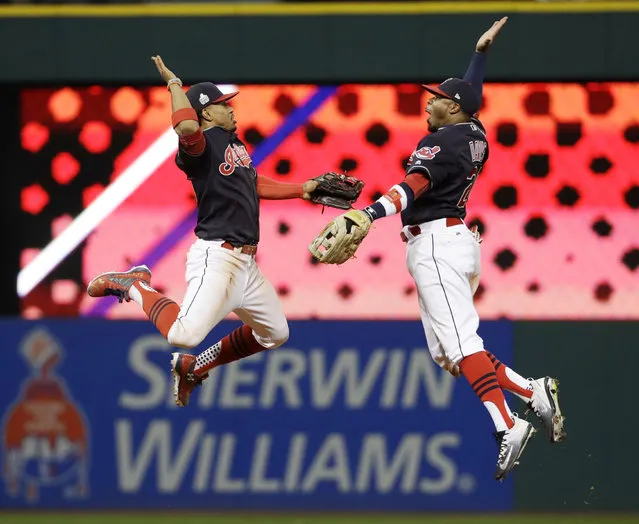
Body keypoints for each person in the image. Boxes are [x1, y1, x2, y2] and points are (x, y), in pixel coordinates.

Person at [311, 17, 565, 481]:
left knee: (463, 345)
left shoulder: (439, 141)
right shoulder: (474, 136)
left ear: (453, 107)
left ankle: (508, 423)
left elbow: (413, 185)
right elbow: (471, 95)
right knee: (451, 356)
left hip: (435, 245)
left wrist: (368, 215)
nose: (429, 103)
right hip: (455, 242)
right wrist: (480, 56)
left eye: (437, 99)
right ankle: (531, 391)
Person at [87, 56, 326, 408]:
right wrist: (174, 85)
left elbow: (252, 183)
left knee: (275, 333)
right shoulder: (200, 146)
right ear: (206, 113)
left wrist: (302, 189)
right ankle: (135, 283)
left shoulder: (235, 145)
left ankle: (195, 366)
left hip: (246, 264)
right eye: (222, 105)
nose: (231, 110)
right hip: (218, 257)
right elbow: (185, 129)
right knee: (183, 333)